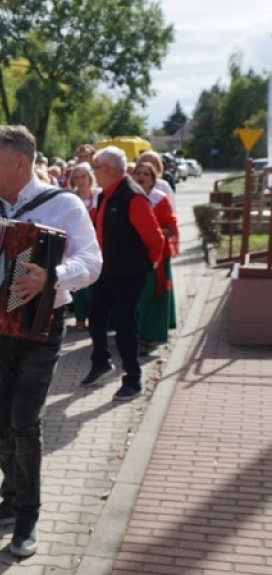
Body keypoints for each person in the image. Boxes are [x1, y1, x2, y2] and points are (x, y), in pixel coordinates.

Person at [0, 125, 101, 558]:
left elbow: (92, 260)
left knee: (24, 423)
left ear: (20, 162)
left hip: (41, 324)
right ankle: (10, 498)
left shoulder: (63, 204)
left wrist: (52, 276)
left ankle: (27, 516)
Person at [81, 146, 165, 402]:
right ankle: (101, 364)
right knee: (95, 317)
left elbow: (156, 240)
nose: (93, 172)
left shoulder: (132, 197)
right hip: (106, 271)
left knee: (126, 326)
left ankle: (132, 379)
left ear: (106, 169)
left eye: (95, 167)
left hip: (130, 274)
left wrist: (144, 265)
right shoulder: (106, 194)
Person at [131, 158, 179, 355]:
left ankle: (147, 337)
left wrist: (151, 231)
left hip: (156, 256)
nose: (141, 177)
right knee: (133, 296)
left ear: (153, 180)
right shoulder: (128, 197)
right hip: (132, 256)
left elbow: (170, 227)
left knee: (152, 294)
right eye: (138, 173)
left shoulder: (161, 199)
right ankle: (131, 335)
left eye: (146, 174)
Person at [66, 163, 101, 331]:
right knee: (78, 283)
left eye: (83, 177)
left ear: (90, 178)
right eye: (76, 177)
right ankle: (80, 318)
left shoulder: (99, 197)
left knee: (94, 283)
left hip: (97, 244)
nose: (80, 181)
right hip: (75, 245)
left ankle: (96, 317)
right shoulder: (70, 199)